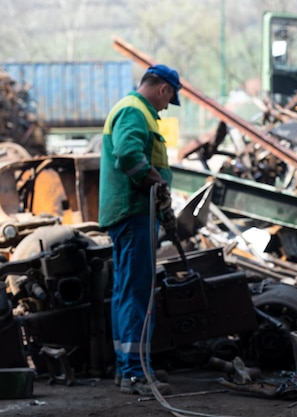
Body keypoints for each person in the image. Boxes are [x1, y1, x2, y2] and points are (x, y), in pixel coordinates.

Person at [99, 64, 182, 396]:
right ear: (163, 88)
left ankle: (128, 367)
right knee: (136, 293)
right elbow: (129, 156)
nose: (166, 107)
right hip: (134, 213)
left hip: (130, 213)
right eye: (169, 99)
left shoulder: (132, 109)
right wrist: (157, 181)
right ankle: (134, 373)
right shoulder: (136, 111)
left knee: (125, 292)